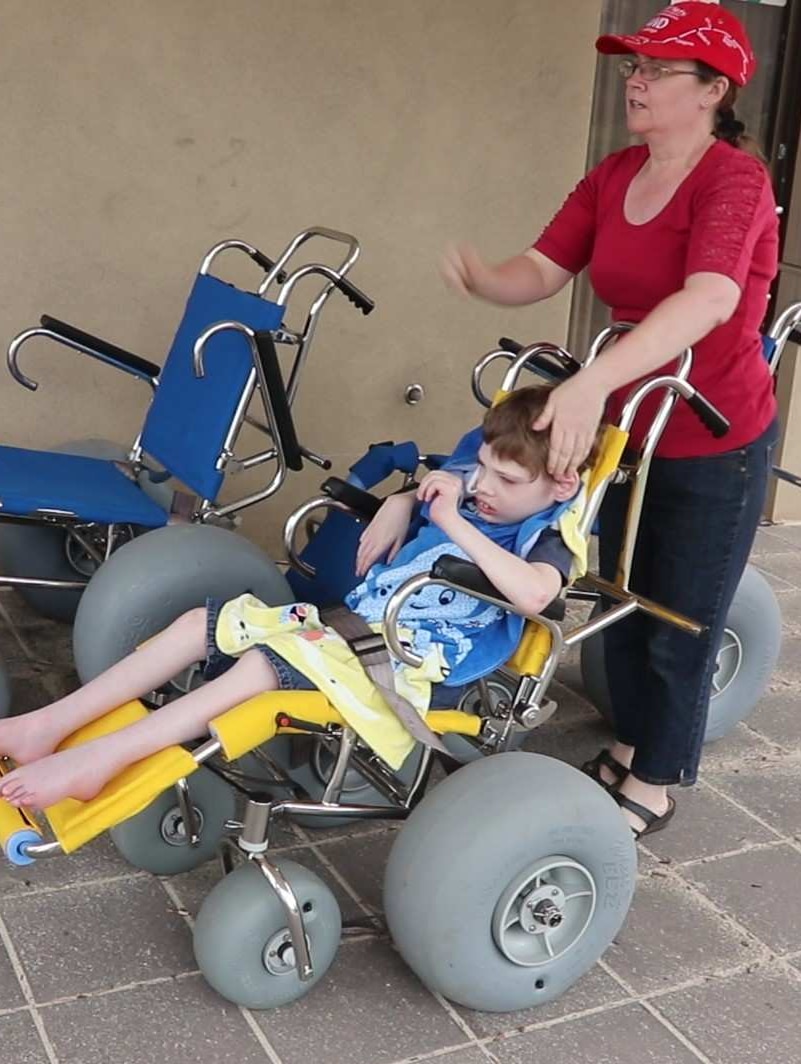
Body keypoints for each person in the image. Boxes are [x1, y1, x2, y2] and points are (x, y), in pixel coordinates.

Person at [441, 2, 779, 839]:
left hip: (710, 435)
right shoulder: (614, 173)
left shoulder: (733, 180)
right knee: (616, 592)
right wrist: (488, 278)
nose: (636, 80)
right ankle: (629, 742)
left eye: (658, 69)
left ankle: (653, 781)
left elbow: (708, 297)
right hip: (628, 428)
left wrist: (592, 380)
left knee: (678, 611)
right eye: (634, 65)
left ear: (712, 89)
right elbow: (544, 266)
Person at [0, 386, 593, 811]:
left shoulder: (541, 534)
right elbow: (458, 474)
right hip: (354, 634)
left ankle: (101, 759)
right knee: (197, 625)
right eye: (483, 469)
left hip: (417, 669)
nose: (484, 487)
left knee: (263, 665)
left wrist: (449, 519)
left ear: (562, 484)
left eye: (507, 480)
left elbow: (537, 593)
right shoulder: (481, 487)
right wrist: (406, 499)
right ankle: (46, 725)